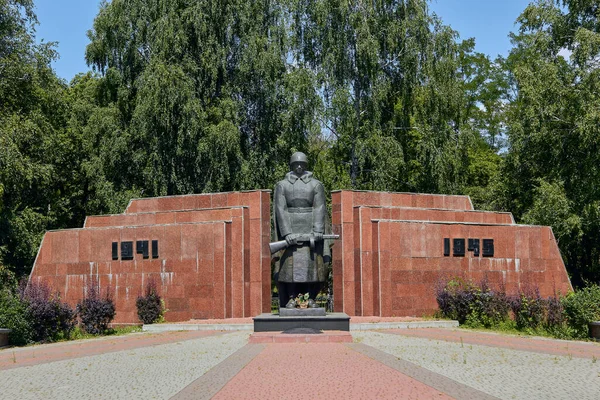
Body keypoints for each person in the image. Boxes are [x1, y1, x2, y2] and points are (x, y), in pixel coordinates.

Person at [273, 152, 330, 308]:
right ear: (291, 165)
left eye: (302, 164)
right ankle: (291, 298)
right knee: (289, 268)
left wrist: (318, 230)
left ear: (306, 165)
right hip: (290, 229)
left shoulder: (316, 185)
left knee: (312, 267)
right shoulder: (282, 185)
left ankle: (311, 298)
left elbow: (319, 207)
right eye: (296, 164)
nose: (299, 167)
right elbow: (280, 209)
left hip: (310, 229)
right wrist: (287, 233)